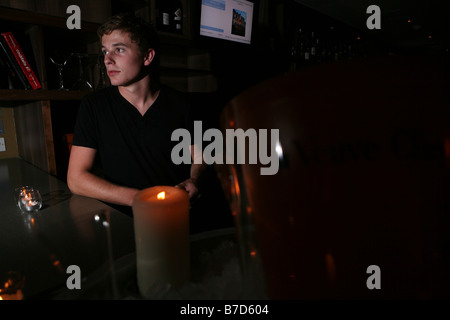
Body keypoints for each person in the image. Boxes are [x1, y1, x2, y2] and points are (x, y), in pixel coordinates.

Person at [67, 13, 203, 216]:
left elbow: (200, 158)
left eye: (118, 50)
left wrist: (195, 180)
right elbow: (76, 179)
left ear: (147, 56)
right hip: (122, 219)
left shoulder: (183, 104)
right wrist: (140, 199)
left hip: (178, 213)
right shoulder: (94, 105)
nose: (107, 60)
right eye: (105, 51)